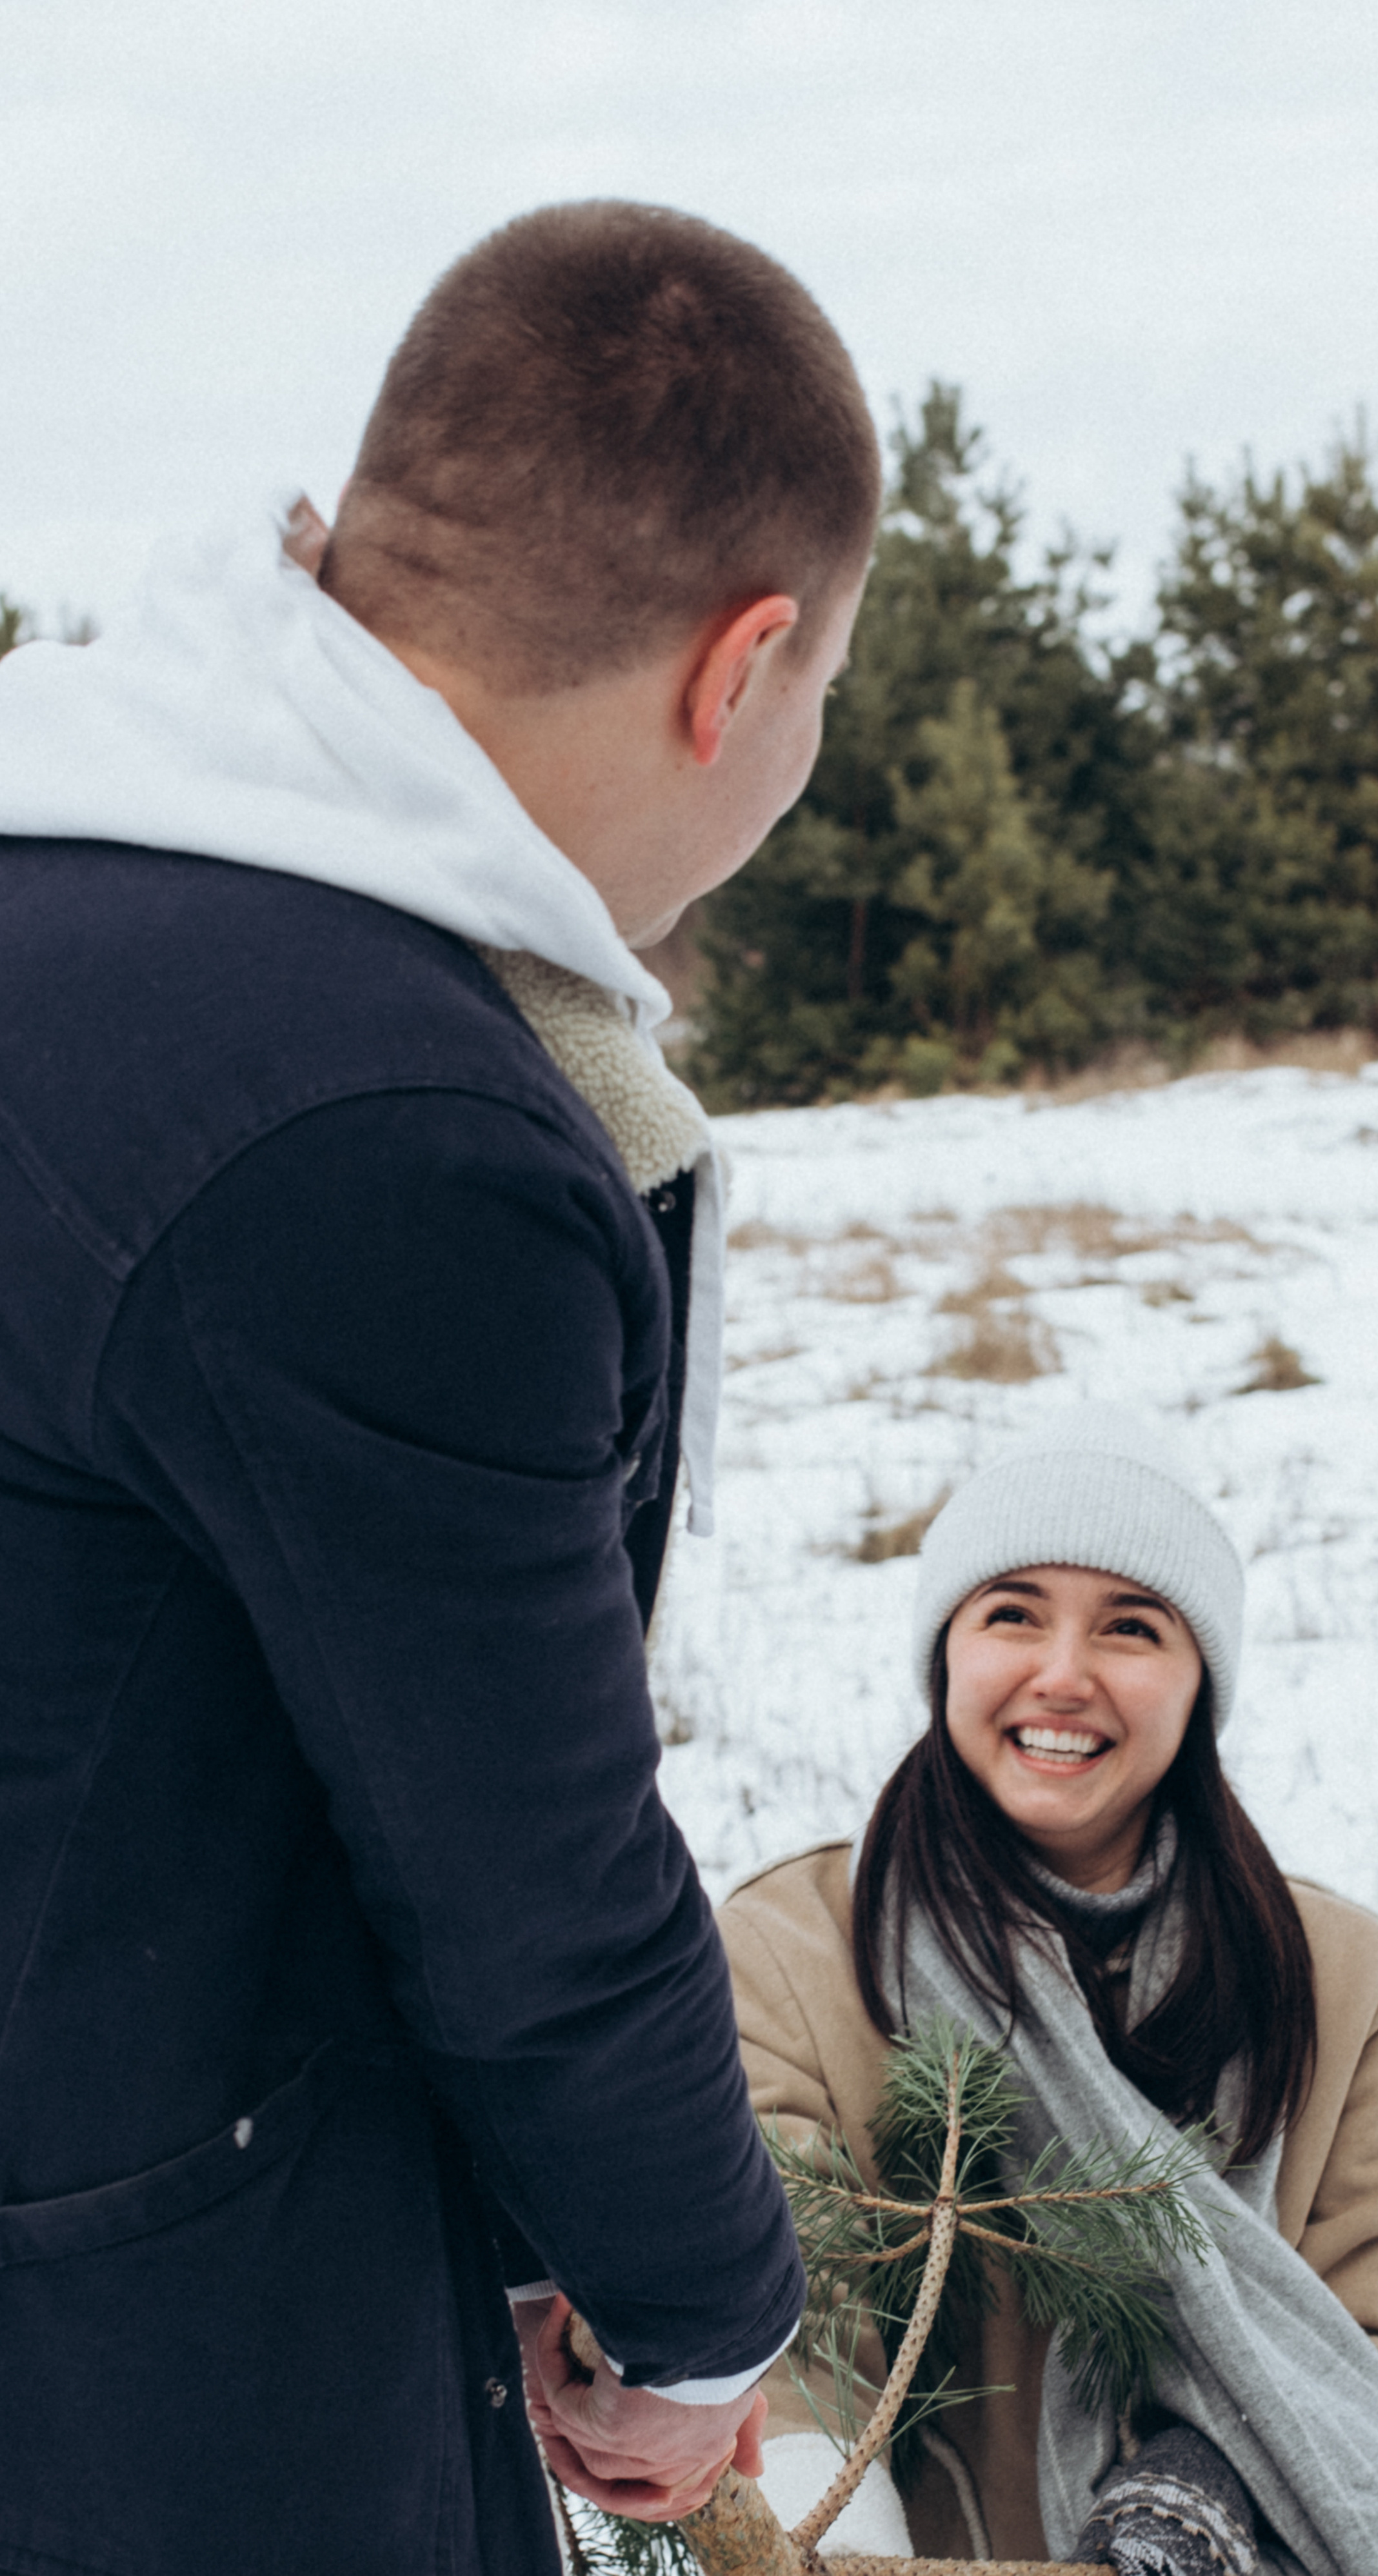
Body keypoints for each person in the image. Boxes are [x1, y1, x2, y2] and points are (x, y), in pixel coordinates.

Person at [0, 203, 879, 2576]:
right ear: (749, 662)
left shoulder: (74, 882)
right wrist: (696, 2308)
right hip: (150, 2352)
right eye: (823, 707)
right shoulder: (387, 1129)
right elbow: (524, 1860)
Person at [719, 1406, 1378, 2576]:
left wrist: (1190, 2516)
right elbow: (785, 2322)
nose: (1063, 1674)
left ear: (1199, 1685)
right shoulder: (791, 1947)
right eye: (1011, 1614)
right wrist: (847, 2554)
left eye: (1131, 1627)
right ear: (948, 1651)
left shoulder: (1345, 1983)